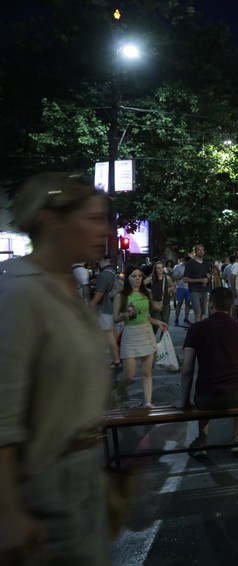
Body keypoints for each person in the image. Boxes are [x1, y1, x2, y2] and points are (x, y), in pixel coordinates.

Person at [0, 173, 112, 564]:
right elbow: (3, 416)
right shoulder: (21, 292)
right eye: (92, 218)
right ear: (52, 221)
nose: (105, 230)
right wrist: (8, 512)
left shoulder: (68, 285)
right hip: (45, 484)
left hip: (86, 473)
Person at [175, 288, 238, 456]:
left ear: (211, 304)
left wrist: (184, 400)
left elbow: (187, 369)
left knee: (204, 389)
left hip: (207, 396)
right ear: (231, 306)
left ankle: (202, 440)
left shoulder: (196, 329)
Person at [113, 265, 169, 408]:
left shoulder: (147, 293)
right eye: (134, 276)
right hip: (130, 335)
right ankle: (117, 393)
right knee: (129, 375)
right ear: (128, 278)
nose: (137, 278)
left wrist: (158, 322)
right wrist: (124, 315)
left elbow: (146, 316)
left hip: (146, 333)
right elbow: (115, 318)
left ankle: (148, 402)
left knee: (147, 372)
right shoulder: (121, 296)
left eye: (139, 276)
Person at [90, 254, 122, 372]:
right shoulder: (114, 273)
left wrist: (90, 305)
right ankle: (118, 358)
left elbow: (99, 293)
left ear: (103, 260)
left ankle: (117, 361)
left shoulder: (103, 275)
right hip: (116, 308)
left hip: (106, 308)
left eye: (99, 260)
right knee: (114, 334)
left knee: (109, 335)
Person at [184, 244, 213, 322]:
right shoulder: (190, 263)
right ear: (195, 251)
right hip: (194, 290)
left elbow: (208, 278)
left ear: (204, 252)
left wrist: (209, 276)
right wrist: (200, 280)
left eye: (202, 250)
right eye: (198, 250)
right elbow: (185, 279)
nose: (200, 251)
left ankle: (198, 327)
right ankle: (198, 329)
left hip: (204, 290)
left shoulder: (207, 264)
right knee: (198, 313)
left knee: (202, 314)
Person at [146, 260, 175, 333]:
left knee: (165, 323)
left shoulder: (167, 278)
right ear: (155, 269)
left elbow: (173, 285)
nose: (160, 269)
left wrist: (169, 289)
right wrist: (148, 291)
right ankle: (152, 338)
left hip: (165, 302)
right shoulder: (151, 278)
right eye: (158, 268)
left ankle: (163, 339)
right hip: (155, 303)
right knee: (155, 325)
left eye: (161, 268)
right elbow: (141, 285)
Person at [172, 255, 193, 325]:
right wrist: (182, 276)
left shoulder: (191, 267)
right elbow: (174, 277)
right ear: (184, 261)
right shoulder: (177, 267)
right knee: (179, 303)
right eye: (187, 262)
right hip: (181, 287)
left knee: (188, 304)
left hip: (189, 287)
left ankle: (186, 319)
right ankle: (176, 319)